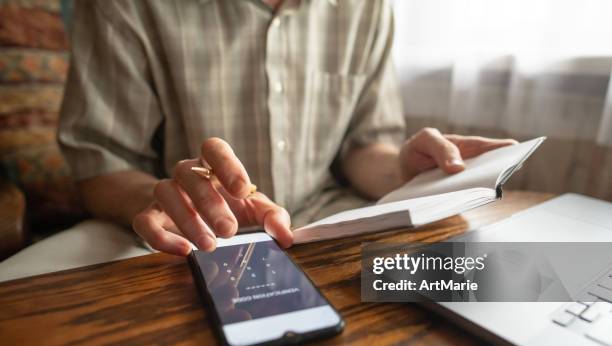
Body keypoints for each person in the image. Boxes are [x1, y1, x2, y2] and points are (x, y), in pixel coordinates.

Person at [29, 0, 515, 274]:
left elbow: (363, 147)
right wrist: (165, 199)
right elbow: (100, 164)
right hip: (184, 241)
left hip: (329, 225)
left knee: (500, 281)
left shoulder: (368, 8)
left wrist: (402, 171)